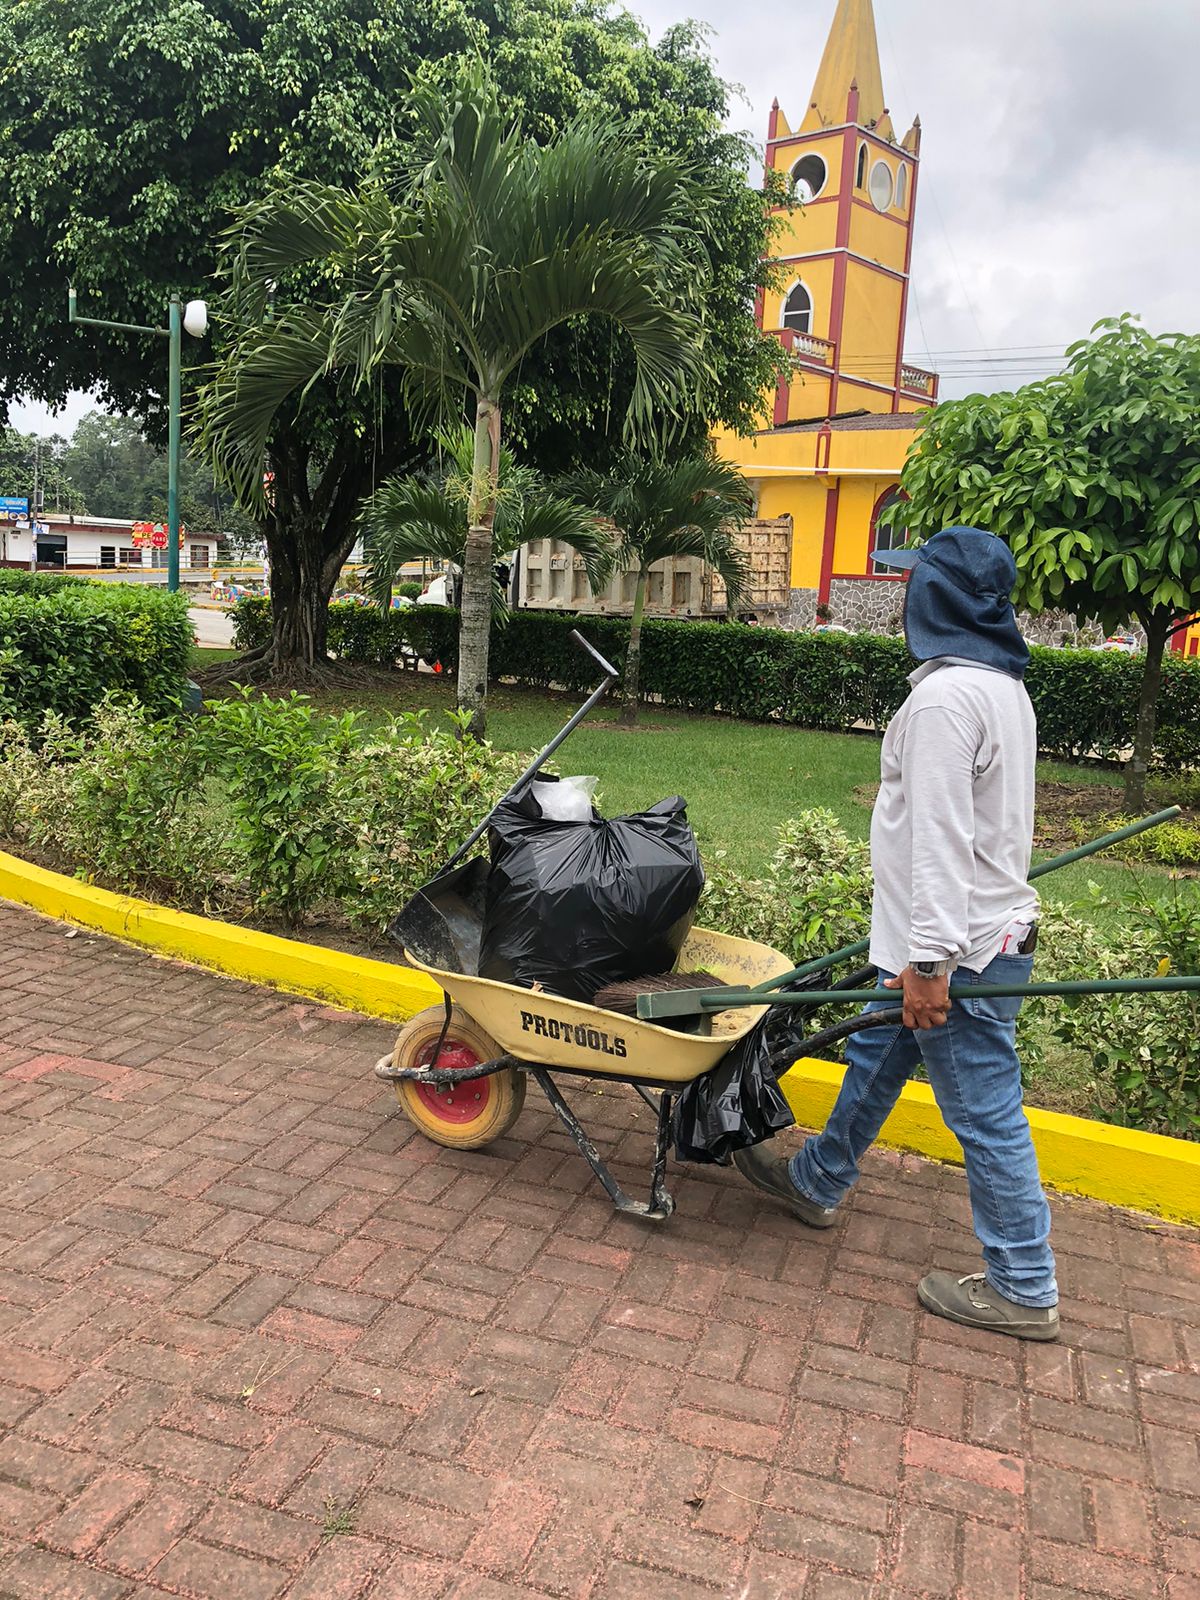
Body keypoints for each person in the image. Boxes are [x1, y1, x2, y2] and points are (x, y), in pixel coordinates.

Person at [736, 526, 1058, 1341]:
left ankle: (1025, 1285)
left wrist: (928, 963)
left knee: (984, 1112)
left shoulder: (946, 702)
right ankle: (818, 1180)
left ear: (937, 598)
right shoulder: (1000, 686)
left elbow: (939, 840)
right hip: (968, 935)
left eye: (917, 581)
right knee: (880, 1051)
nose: (907, 592)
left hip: (959, 952)